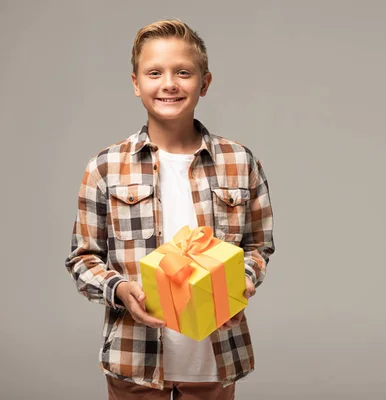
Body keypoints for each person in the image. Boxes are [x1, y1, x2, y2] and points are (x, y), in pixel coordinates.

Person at [65, 18, 275, 399]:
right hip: (135, 360)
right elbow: (83, 258)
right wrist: (121, 289)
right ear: (135, 83)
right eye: (154, 72)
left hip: (213, 360)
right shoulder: (105, 167)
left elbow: (258, 246)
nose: (169, 84)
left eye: (183, 72)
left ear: (204, 83)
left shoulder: (240, 162)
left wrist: (240, 284)